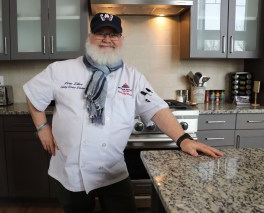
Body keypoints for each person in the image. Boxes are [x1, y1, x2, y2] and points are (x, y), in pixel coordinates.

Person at [23, 13, 223, 213]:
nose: (107, 39)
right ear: (90, 37)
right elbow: (33, 95)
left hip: (113, 171)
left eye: (113, 35)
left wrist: (184, 140)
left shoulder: (132, 77)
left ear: (121, 40)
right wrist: (42, 128)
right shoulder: (61, 70)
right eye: (101, 33)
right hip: (71, 170)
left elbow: (157, 109)